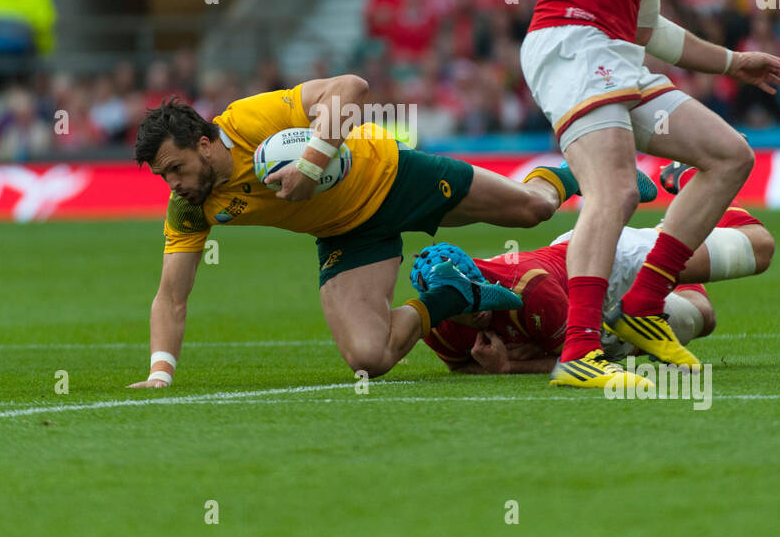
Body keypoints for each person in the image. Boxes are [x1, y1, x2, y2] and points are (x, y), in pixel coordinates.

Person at [502, 0, 780, 387]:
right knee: (614, 191)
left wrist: (734, 63)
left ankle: (642, 303)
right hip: (573, 44)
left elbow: (649, 29)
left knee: (729, 155)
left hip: (616, 56)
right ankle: (580, 352)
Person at [128, 75, 657, 389]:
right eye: (162, 177)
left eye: (175, 169)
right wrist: (160, 374)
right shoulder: (192, 208)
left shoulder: (247, 121)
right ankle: (453, 293)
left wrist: (312, 163)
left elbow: (351, 88)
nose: (173, 186)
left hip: (395, 177)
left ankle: (564, 176)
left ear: (202, 143)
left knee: (532, 211)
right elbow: (171, 297)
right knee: (369, 359)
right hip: (348, 234)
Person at [414, 206, 773, 378]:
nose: (475, 306)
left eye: (476, 287)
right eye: (462, 302)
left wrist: (510, 365)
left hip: (607, 260)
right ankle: (671, 234)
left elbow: (583, 356)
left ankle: (698, 191)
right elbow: (460, 366)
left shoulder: (530, 290)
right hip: (585, 302)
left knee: (759, 250)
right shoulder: (436, 324)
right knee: (702, 319)